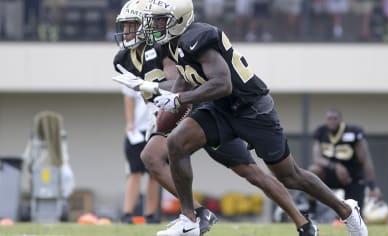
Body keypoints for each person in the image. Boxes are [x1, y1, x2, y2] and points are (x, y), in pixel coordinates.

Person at [139, 1, 368, 235]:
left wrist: (179, 100)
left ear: (179, 20)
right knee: (177, 142)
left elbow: (223, 84)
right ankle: (189, 219)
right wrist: (160, 95)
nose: (154, 25)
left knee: (290, 176)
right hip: (221, 108)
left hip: (252, 109)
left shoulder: (196, 38)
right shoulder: (173, 44)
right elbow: (186, 79)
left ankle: (346, 211)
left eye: (160, 20)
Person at [112, 0, 218, 232]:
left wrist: (148, 87)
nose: (127, 31)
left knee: (248, 169)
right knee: (151, 160)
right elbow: (139, 96)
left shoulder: (160, 48)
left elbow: (179, 85)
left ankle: (194, 213)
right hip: (160, 113)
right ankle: (195, 213)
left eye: (132, 25)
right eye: (125, 26)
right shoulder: (123, 60)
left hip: (187, 109)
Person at [309, 108, 381, 214]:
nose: (332, 121)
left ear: (341, 120)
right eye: (329, 118)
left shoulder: (353, 132)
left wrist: (372, 186)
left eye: (335, 118)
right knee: (313, 171)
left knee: (354, 213)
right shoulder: (321, 132)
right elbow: (317, 159)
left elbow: (365, 160)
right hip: (331, 175)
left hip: (352, 176)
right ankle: (311, 208)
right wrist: (336, 166)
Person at [120, 85, 161, 224]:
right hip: (138, 130)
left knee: (155, 174)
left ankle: (150, 214)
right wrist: (130, 123)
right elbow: (129, 97)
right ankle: (127, 213)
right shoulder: (134, 71)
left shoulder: (163, 70)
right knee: (135, 172)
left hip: (157, 129)